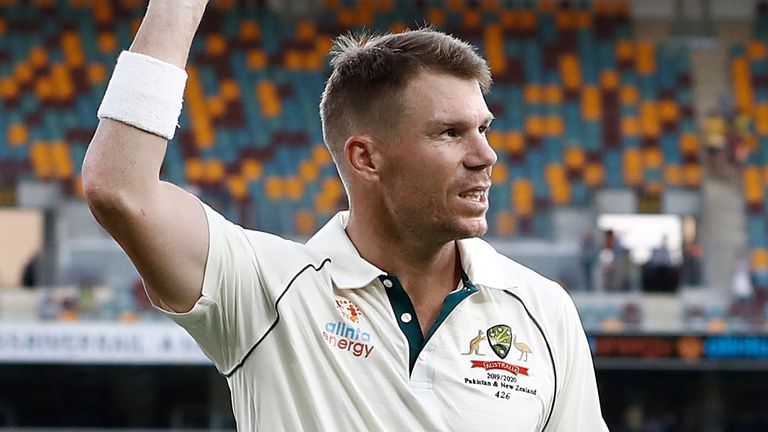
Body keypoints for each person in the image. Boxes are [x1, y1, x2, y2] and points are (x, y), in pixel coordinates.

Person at [82, 1, 608, 430]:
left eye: (484, 129)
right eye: (450, 133)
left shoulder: (542, 309)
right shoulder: (266, 290)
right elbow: (121, 189)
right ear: (366, 158)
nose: (485, 155)